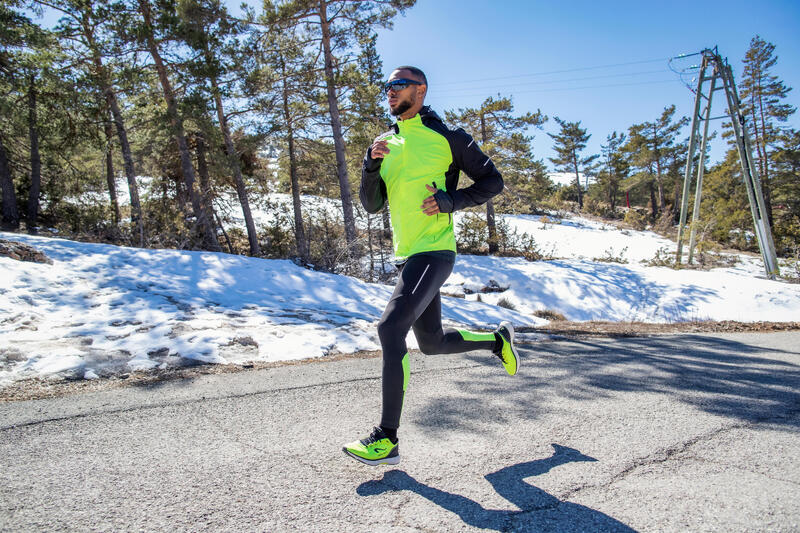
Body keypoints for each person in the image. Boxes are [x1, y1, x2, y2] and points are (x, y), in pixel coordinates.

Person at [342, 66, 520, 466]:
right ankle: (498, 341)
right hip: (408, 254)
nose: (390, 92)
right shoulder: (385, 143)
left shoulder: (449, 138)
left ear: (420, 90)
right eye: (387, 86)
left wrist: (451, 201)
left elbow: (493, 181)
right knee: (432, 343)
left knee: (390, 328)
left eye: (398, 85)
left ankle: (387, 439)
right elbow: (371, 204)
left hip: (435, 250)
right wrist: (371, 164)